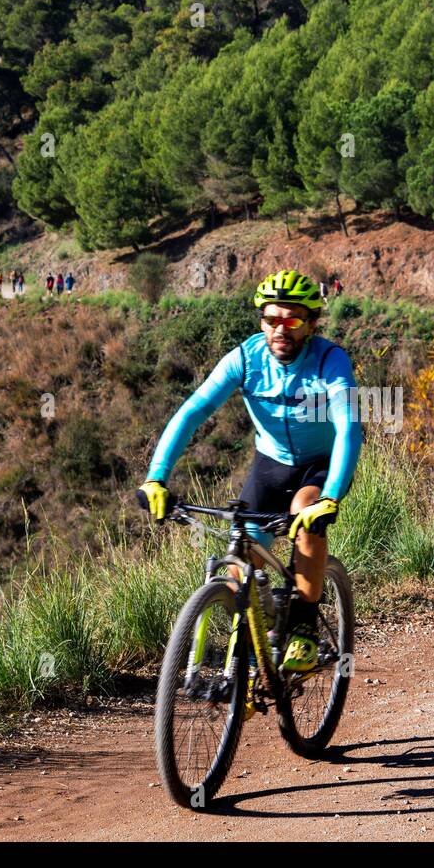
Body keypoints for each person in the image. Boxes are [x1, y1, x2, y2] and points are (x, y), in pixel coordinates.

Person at [138, 270, 363, 676]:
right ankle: (257, 647)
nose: (281, 329)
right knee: (242, 559)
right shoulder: (246, 358)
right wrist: (157, 476)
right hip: (270, 466)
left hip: (322, 466)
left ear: (312, 324)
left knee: (306, 512)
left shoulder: (331, 361)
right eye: (271, 319)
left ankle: (305, 629)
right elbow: (193, 412)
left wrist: (330, 496)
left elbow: (348, 426)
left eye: (292, 320)